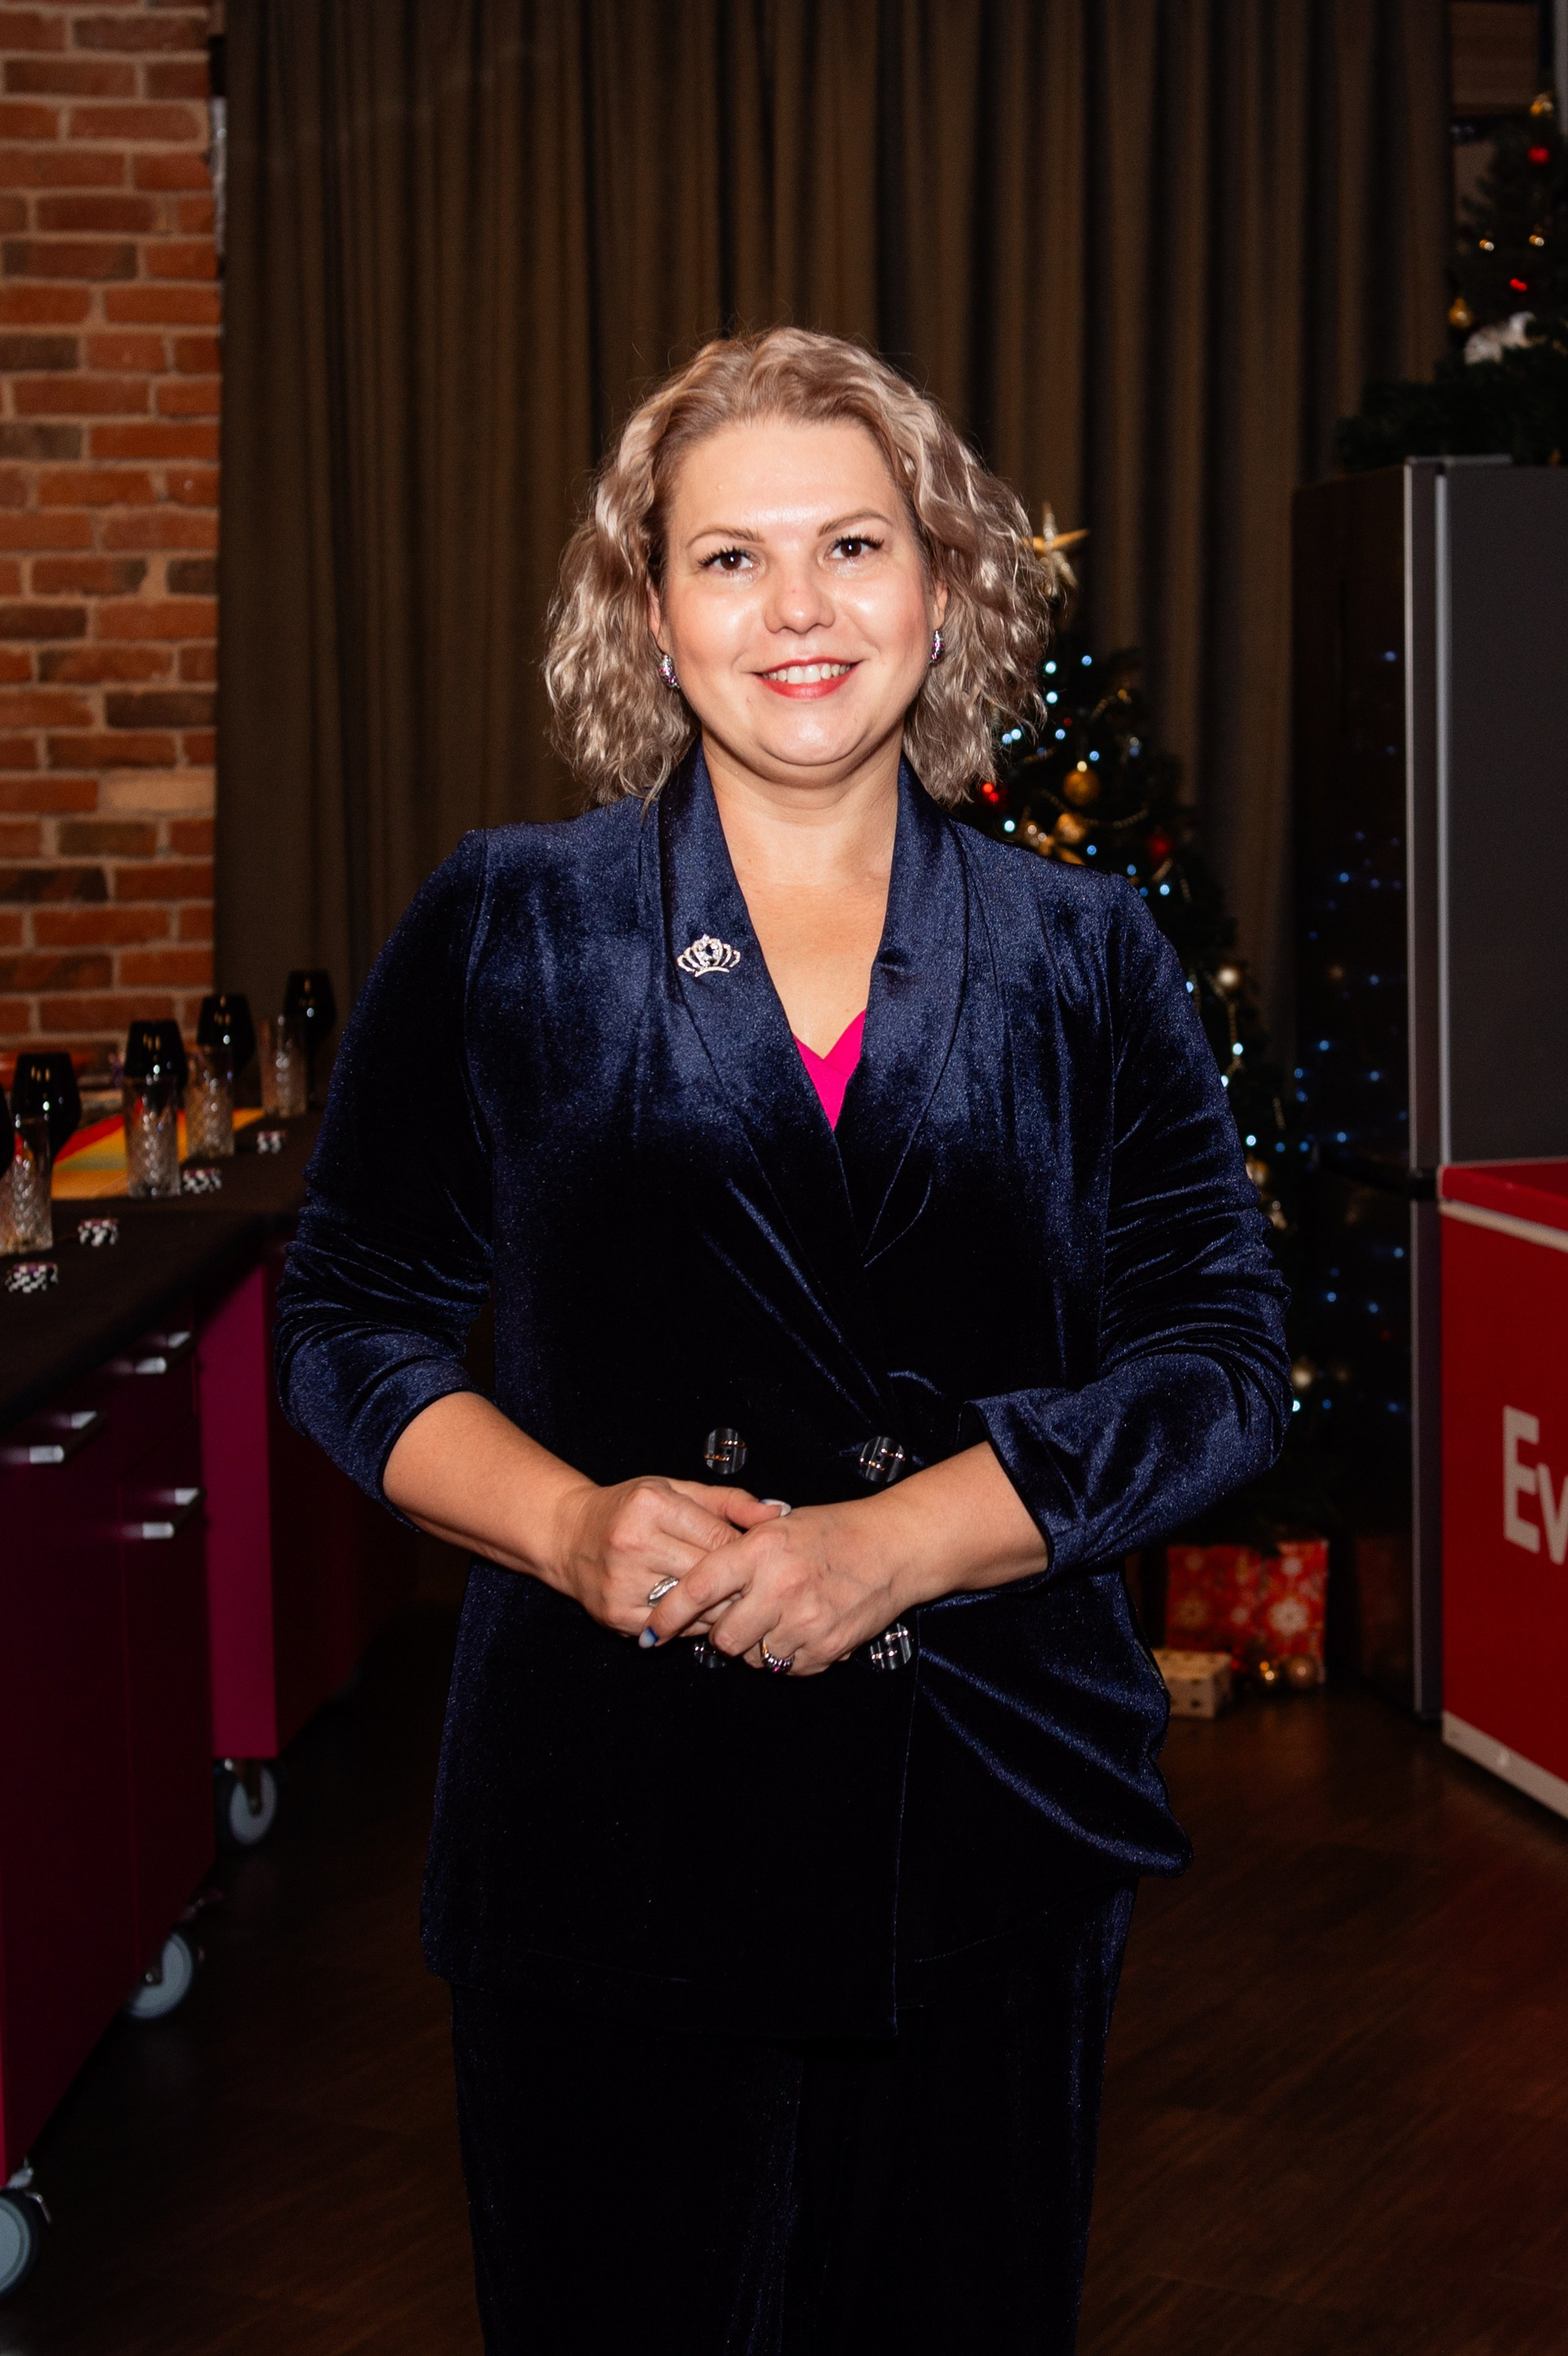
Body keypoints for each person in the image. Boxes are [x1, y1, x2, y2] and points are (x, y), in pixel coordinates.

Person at [275, 326, 1289, 2354]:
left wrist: (900, 1543)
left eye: (855, 545)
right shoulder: (510, 923)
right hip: (608, 1818)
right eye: (731, 559)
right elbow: (347, 1323)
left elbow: (1222, 1363)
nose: (801, 608)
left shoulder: (1084, 953)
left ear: (946, 581)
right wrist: (566, 1527)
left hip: (984, 1822)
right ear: (650, 614)